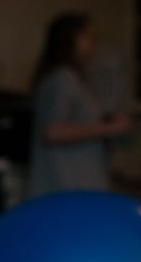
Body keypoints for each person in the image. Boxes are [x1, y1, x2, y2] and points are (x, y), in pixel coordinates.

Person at [27, 12, 133, 197]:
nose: (94, 44)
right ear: (71, 39)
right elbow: (53, 131)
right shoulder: (63, 79)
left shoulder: (76, 82)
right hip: (66, 187)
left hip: (77, 187)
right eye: (88, 37)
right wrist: (109, 128)